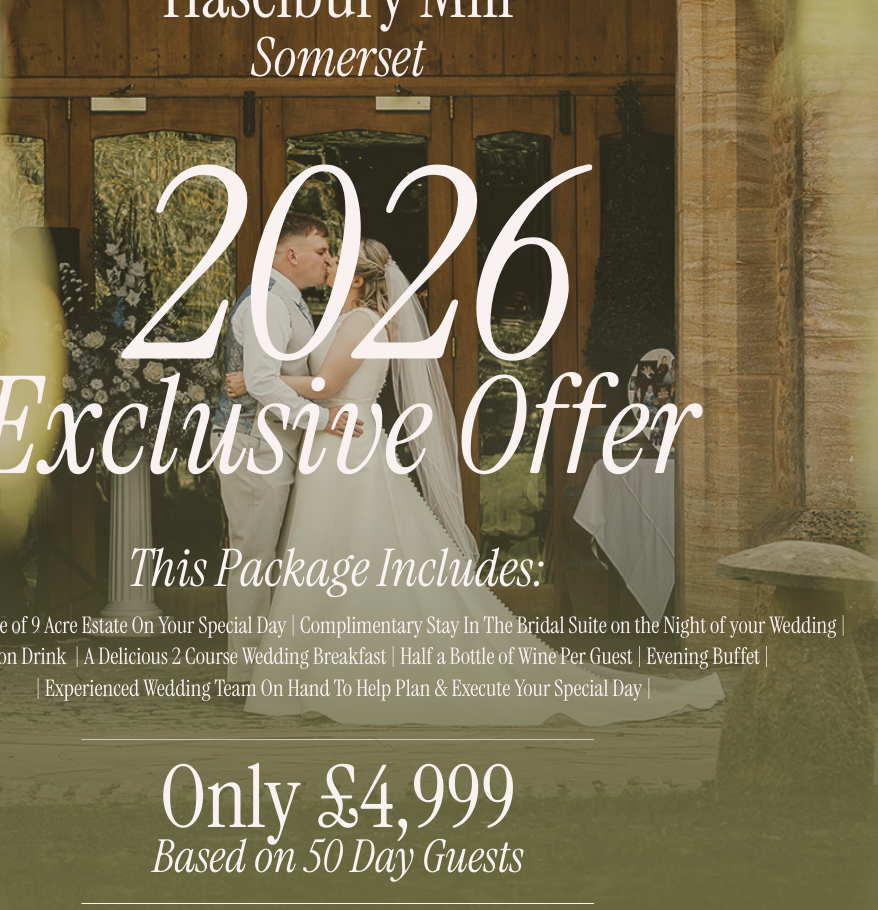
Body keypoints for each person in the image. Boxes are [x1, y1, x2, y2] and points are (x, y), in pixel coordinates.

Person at [230, 239, 723, 726]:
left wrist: (257, 380)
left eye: (337, 260)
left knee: (346, 551)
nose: (328, 264)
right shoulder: (344, 320)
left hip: (346, 445)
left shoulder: (361, 322)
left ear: (358, 280)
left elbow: (325, 386)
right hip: (334, 444)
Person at [210, 212, 357, 683]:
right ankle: (248, 675)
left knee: (266, 555)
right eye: (321, 251)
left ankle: (263, 668)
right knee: (253, 556)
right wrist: (322, 418)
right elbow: (260, 382)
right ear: (290, 254)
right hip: (254, 442)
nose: (328, 260)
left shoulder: (287, 301)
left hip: (274, 441)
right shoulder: (269, 302)